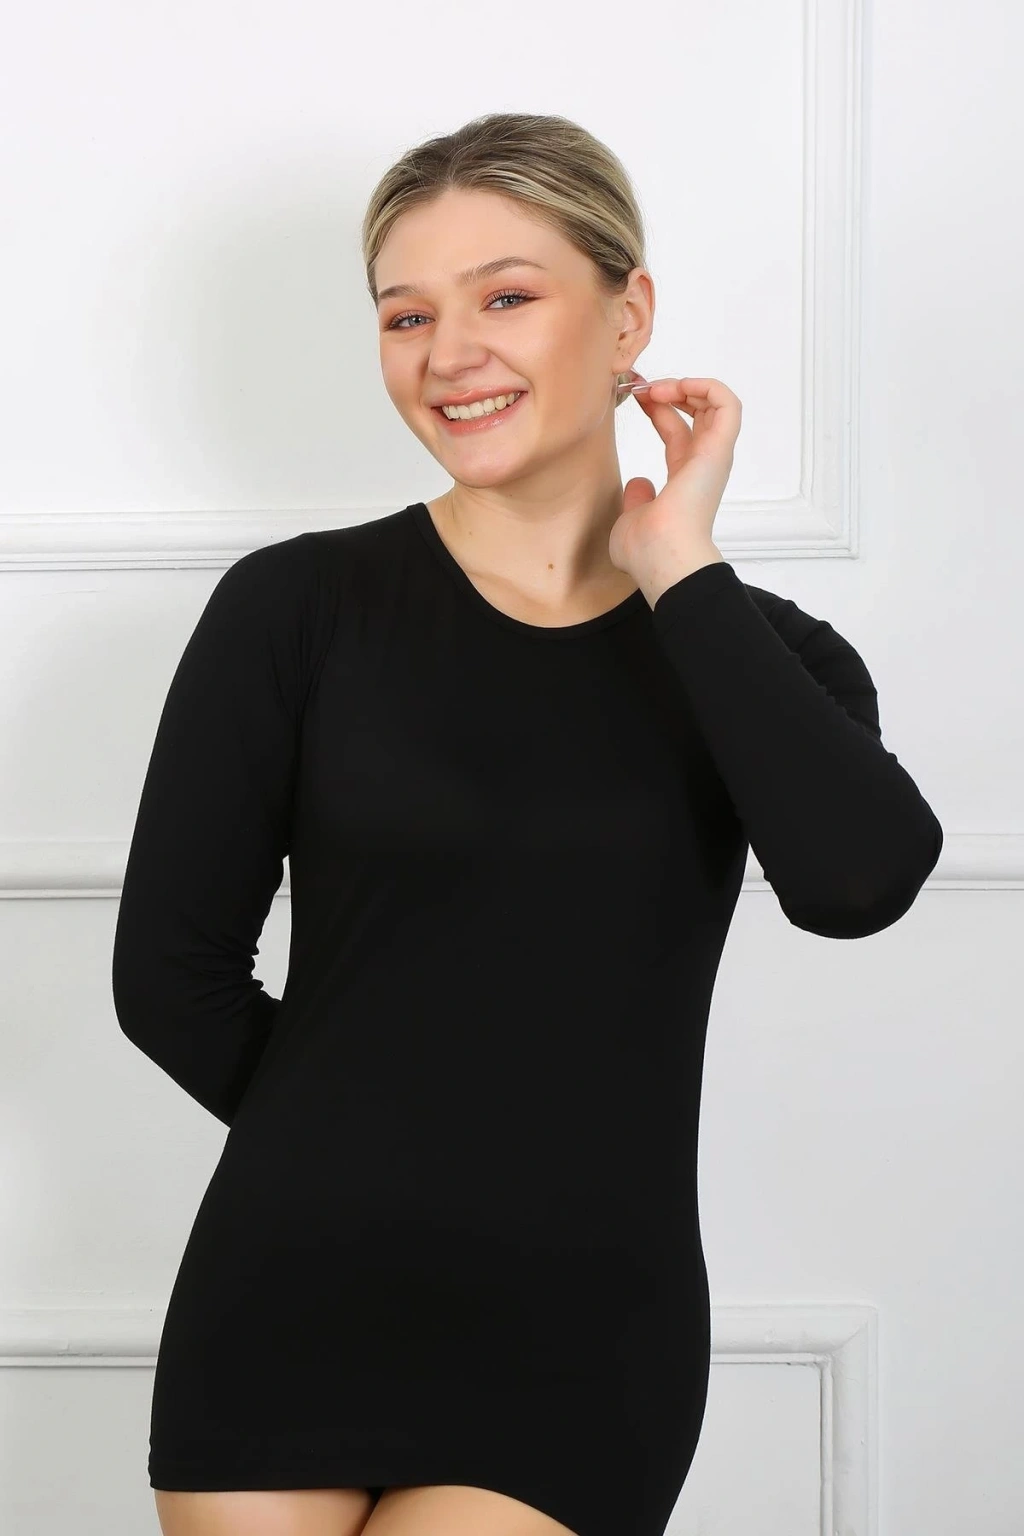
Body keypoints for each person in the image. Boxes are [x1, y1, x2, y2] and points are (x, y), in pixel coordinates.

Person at [111, 111, 944, 1536]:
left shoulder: (761, 657)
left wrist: (678, 567)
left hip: (582, 1327)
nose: (450, 353)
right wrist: (372, 1157)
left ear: (629, 317)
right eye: (406, 316)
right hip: (291, 1292)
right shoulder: (294, 610)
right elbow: (168, 981)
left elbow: (859, 882)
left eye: (505, 297)